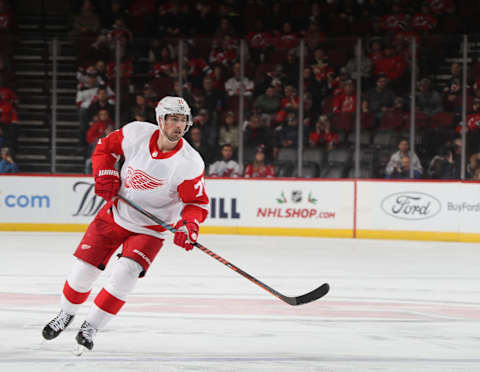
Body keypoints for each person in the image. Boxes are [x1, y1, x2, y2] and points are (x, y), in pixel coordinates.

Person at [41, 96, 209, 353]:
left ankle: (91, 327)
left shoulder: (189, 162)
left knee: (125, 275)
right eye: (173, 119)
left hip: (151, 230)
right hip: (115, 215)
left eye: (183, 120)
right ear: (160, 119)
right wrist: (105, 172)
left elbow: (196, 203)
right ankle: (66, 314)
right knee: (83, 270)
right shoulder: (136, 133)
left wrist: (189, 225)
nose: (179, 125)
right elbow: (104, 149)